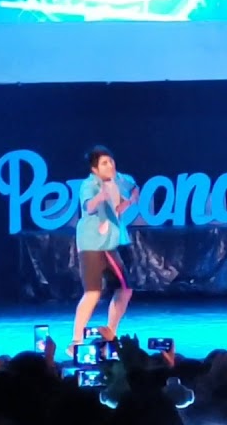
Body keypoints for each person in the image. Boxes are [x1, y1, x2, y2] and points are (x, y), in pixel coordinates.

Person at [72, 146, 141, 348]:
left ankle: (111, 332)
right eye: (104, 163)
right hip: (91, 245)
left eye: (111, 161)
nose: (110, 165)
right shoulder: (89, 185)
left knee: (125, 290)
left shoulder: (118, 179)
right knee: (93, 292)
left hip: (109, 246)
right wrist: (100, 197)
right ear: (94, 169)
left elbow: (133, 187)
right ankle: (75, 341)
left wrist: (130, 200)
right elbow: (88, 206)